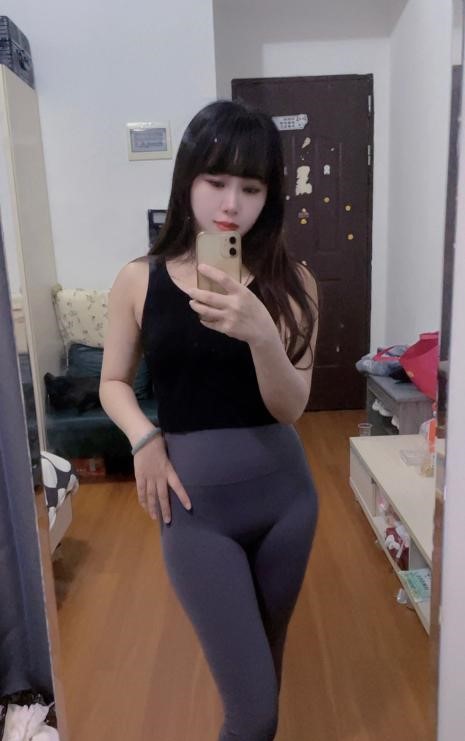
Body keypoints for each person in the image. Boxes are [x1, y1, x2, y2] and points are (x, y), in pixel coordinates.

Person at [99, 99, 319, 741]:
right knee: (253, 713)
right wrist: (144, 438)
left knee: (266, 676)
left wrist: (262, 334)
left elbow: (291, 406)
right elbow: (112, 382)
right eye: (216, 180)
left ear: (269, 196)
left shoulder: (295, 283)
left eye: (251, 188)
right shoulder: (138, 280)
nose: (231, 204)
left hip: (287, 505)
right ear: (186, 179)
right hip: (194, 514)